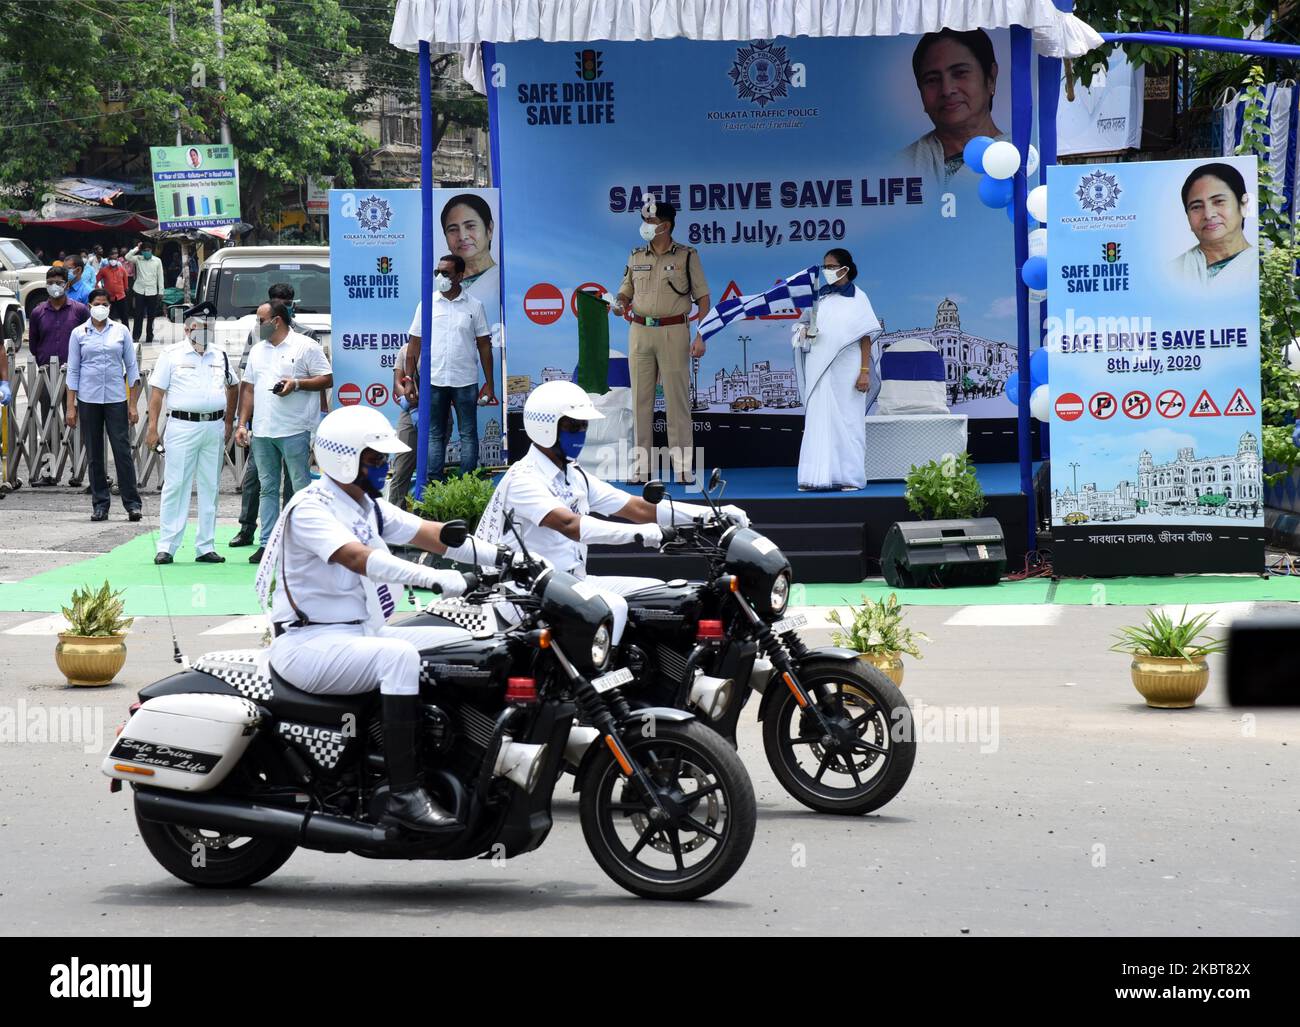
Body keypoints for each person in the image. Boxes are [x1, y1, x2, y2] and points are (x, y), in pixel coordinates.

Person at [259, 406, 509, 832]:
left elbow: (430, 533)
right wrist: (433, 578)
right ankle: (404, 794)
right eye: (376, 459)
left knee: (476, 643)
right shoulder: (311, 509)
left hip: (358, 635)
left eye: (384, 459)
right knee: (398, 659)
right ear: (345, 459)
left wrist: (510, 558)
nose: (386, 467)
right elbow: (358, 558)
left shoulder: (365, 506)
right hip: (309, 645)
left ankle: (465, 760)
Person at [476, 380, 749, 643]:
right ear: (544, 427)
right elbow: (571, 525)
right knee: (614, 606)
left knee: (659, 595)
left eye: (584, 425)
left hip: (572, 583)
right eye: (573, 426)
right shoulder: (523, 479)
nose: (581, 433)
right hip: (524, 593)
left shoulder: (573, 474)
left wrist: (709, 515)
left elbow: (636, 507)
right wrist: (644, 535)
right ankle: (599, 684)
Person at [610, 199, 711, 483]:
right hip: (640, 331)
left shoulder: (687, 256)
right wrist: (619, 303)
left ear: (665, 226)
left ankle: (682, 468)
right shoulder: (635, 255)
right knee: (640, 402)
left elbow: (703, 299)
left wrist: (701, 335)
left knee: (676, 403)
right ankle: (641, 469)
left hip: (674, 331)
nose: (645, 227)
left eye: (651, 222)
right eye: (644, 221)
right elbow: (625, 291)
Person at [235, 299, 333, 563]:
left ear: (276, 320)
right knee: (268, 488)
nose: (258, 325)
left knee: (300, 486)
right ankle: (268, 543)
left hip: (295, 429)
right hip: (264, 431)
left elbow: (327, 378)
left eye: (261, 320)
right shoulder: (258, 350)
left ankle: (301, 543)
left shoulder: (306, 345)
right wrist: (242, 423)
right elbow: (249, 389)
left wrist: (297, 384)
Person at [390, 254, 493, 495]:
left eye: (446, 273)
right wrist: (408, 379)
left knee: (468, 434)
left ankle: (468, 485)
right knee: (434, 434)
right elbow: (413, 344)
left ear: (460, 276)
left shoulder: (474, 306)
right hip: (433, 380)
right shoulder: (426, 304)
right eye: (438, 272)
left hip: (465, 380)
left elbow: (485, 346)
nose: (440, 277)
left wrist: (490, 383)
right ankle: (433, 487)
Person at [147, 316, 238, 564]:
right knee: (176, 485)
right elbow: (157, 393)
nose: (205, 332)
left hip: (213, 426)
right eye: (200, 328)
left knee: (210, 486)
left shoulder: (220, 355)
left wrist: (229, 421)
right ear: (188, 329)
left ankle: (205, 546)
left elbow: (233, 387)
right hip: (182, 425)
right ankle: (167, 546)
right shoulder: (172, 354)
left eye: (210, 327)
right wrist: (152, 427)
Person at [793, 249, 882, 492]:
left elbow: (866, 338)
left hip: (848, 369)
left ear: (845, 268)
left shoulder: (859, 298)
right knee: (818, 421)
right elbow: (803, 324)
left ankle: (850, 477)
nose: (827, 271)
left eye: (831, 266)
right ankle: (815, 477)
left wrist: (864, 371)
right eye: (825, 266)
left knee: (848, 422)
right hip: (818, 367)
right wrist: (802, 331)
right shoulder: (819, 297)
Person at [66, 288, 142, 521]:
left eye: (105, 304)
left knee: (122, 451)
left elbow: (131, 368)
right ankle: (100, 504)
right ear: (89, 306)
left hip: (116, 399)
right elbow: (73, 370)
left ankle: (132, 503)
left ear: (109, 306)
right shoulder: (79, 333)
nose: (101, 307)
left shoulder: (121, 331)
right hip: (88, 399)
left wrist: (133, 404)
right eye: (97, 303)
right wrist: (71, 406)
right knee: (94, 453)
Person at [900, 28, 1005, 188]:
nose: (947, 90)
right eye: (932, 80)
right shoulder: (899, 167)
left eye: (960, 73)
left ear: (990, 78)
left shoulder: (1020, 160)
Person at [27, 267, 90, 486]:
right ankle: (50, 472)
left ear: (66, 284)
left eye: (59, 281)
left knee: (76, 422)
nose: (55, 285)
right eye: (50, 281)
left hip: (74, 376)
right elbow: (34, 345)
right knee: (48, 424)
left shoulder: (79, 310)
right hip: (47, 376)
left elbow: (87, 339)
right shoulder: (38, 312)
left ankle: (79, 471)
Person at [1170, 162, 1255, 291]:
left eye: (1219, 201)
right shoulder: (1173, 271)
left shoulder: (1262, 267)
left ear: (1244, 205)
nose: (1208, 215)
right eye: (1196, 207)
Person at [440, 193, 500, 326]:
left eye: (470, 226)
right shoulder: (441, 287)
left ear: (489, 229)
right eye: (453, 229)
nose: (462, 236)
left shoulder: (503, 280)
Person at [125, 240, 164, 343]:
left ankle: (149, 336)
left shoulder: (157, 261)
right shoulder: (138, 259)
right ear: (142, 252)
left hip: (152, 291)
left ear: (151, 250)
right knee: (138, 315)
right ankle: (136, 336)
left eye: (148, 250)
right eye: (145, 250)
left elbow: (160, 277)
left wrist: (161, 291)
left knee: (151, 316)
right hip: (139, 290)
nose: (147, 252)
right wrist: (137, 248)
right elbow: (127, 257)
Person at [96, 247, 129, 324]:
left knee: (124, 316)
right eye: (111, 258)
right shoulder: (104, 270)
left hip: (121, 296)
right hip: (109, 297)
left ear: (117, 259)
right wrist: (98, 289)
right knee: (108, 316)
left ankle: (126, 332)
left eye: (115, 258)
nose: (113, 260)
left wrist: (125, 288)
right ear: (108, 259)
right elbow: (96, 280)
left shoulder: (122, 269)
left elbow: (126, 281)